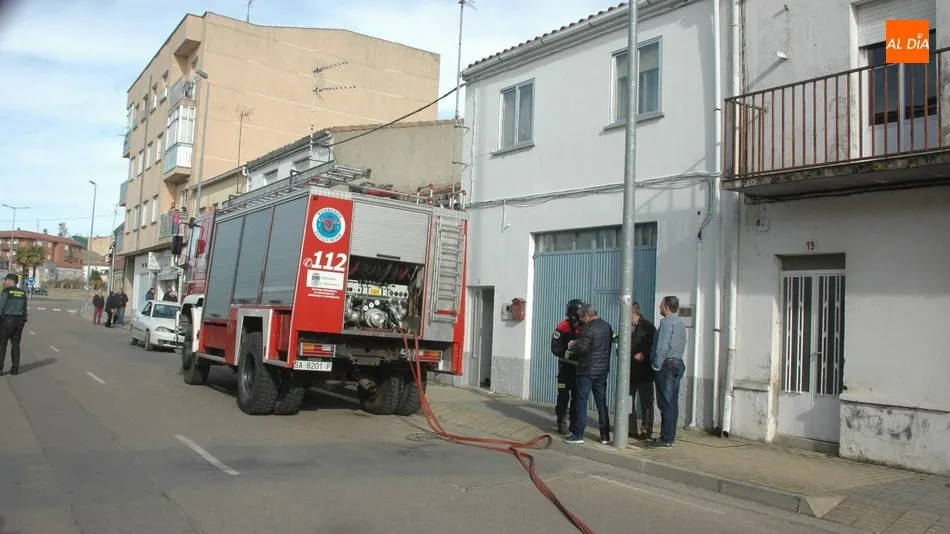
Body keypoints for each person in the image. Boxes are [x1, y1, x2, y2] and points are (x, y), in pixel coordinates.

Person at [564, 302, 613, 445]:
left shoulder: (588, 329)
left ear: (586, 315)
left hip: (586, 371)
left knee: (581, 402)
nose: (580, 320)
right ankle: (605, 435)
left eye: (581, 317)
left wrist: (573, 344)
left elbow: (582, 348)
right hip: (602, 371)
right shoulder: (606, 326)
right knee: (601, 403)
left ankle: (578, 435)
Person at [650, 295, 688, 447]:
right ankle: (669, 436)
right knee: (672, 402)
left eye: (660, 305)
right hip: (677, 363)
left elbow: (662, 347)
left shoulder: (667, 323)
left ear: (666, 307)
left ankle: (666, 438)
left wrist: (656, 365)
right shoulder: (680, 323)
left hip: (667, 366)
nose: (659, 307)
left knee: (666, 402)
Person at [550, 299, 585, 435]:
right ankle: (561, 421)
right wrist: (569, 355)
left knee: (577, 397)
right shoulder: (563, 327)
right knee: (563, 396)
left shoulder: (585, 327)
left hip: (579, 370)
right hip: (565, 369)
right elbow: (555, 348)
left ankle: (574, 423)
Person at [628, 301, 657, 440]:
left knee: (646, 403)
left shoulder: (648, 327)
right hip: (629, 372)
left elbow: (654, 346)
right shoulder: (626, 326)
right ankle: (630, 428)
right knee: (628, 401)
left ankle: (646, 430)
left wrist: (643, 354)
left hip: (644, 372)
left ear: (633, 313)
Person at [0, 273, 29, 376]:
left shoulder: (6, 292)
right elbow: (25, 308)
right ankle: (15, 369)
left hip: (7, 320)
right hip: (19, 321)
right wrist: (23, 319)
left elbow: (1, 306)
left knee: (2, 345)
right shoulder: (22, 293)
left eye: (6, 280)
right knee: (15, 345)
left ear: (11, 282)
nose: (5, 282)